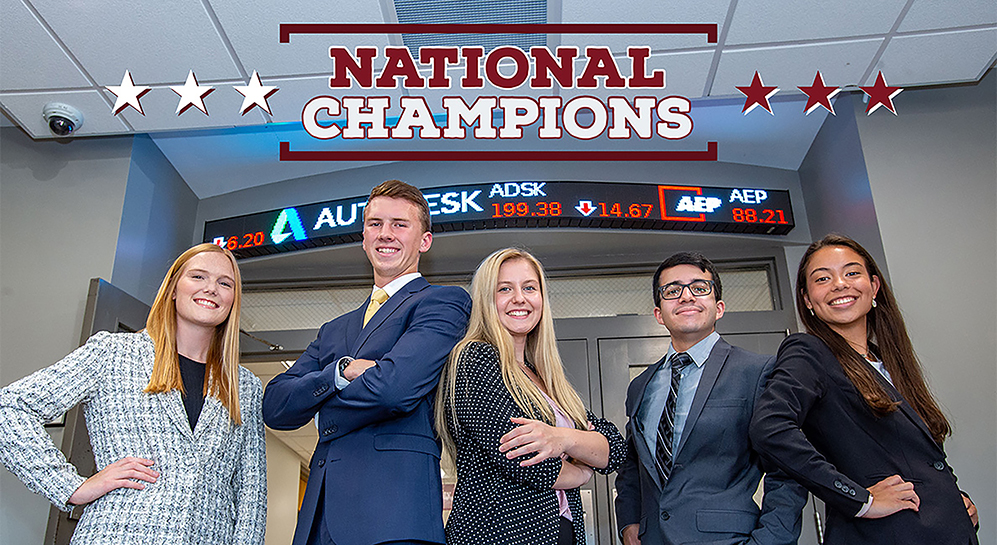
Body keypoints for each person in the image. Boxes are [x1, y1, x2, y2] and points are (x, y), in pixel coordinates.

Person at [0, 243, 266, 545]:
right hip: (118, 532)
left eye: (225, 283)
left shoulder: (244, 385)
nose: (211, 289)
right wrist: (71, 487)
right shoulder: (113, 353)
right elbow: (10, 409)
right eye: (198, 277)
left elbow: (251, 494)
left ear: (233, 299)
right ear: (173, 289)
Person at [262, 180, 472, 545]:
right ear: (363, 237)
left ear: (424, 241)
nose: (385, 234)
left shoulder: (442, 303)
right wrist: (341, 373)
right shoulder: (334, 330)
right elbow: (276, 405)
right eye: (375, 224)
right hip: (319, 519)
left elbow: (394, 390)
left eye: (399, 224)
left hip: (393, 518)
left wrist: (322, 409)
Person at [749, 234, 979, 544]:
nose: (840, 284)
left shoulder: (889, 363)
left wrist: (955, 496)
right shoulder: (808, 351)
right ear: (807, 299)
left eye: (851, 272)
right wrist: (859, 499)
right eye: (822, 278)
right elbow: (770, 428)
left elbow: (917, 454)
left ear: (874, 286)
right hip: (885, 535)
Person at [436, 247, 625, 545]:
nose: (519, 298)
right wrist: (580, 472)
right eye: (504, 289)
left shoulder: (543, 376)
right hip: (498, 534)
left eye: (529, 288)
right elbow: (521, 457)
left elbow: (613, 448)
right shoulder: (474, 359)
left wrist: (563, 439)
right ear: (487, 300)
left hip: (560, 529)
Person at [614, 252, 807, 545]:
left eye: (699, 288)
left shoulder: (757, 371)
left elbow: (787, 472)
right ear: (658, 313)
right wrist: (629, 522)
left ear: (718, 308)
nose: (686, 297)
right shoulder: (641, 385)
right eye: (672, 290)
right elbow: (632, 466)